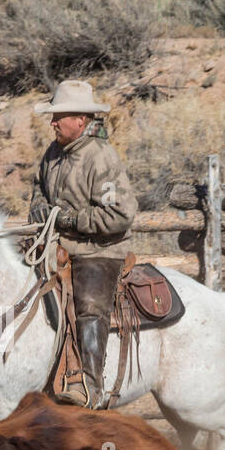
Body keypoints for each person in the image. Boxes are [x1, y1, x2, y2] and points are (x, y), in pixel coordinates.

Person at [28, 79, 139, 407]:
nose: (52, 122)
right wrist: (38, 207)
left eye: (58, 117)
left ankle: (91, 387)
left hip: (98, 250)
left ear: (80, 119)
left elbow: (120, 214)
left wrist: (69, 220)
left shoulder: (100, 157)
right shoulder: (53, 153)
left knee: (89, 306)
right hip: (56, 244)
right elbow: (38, 186)